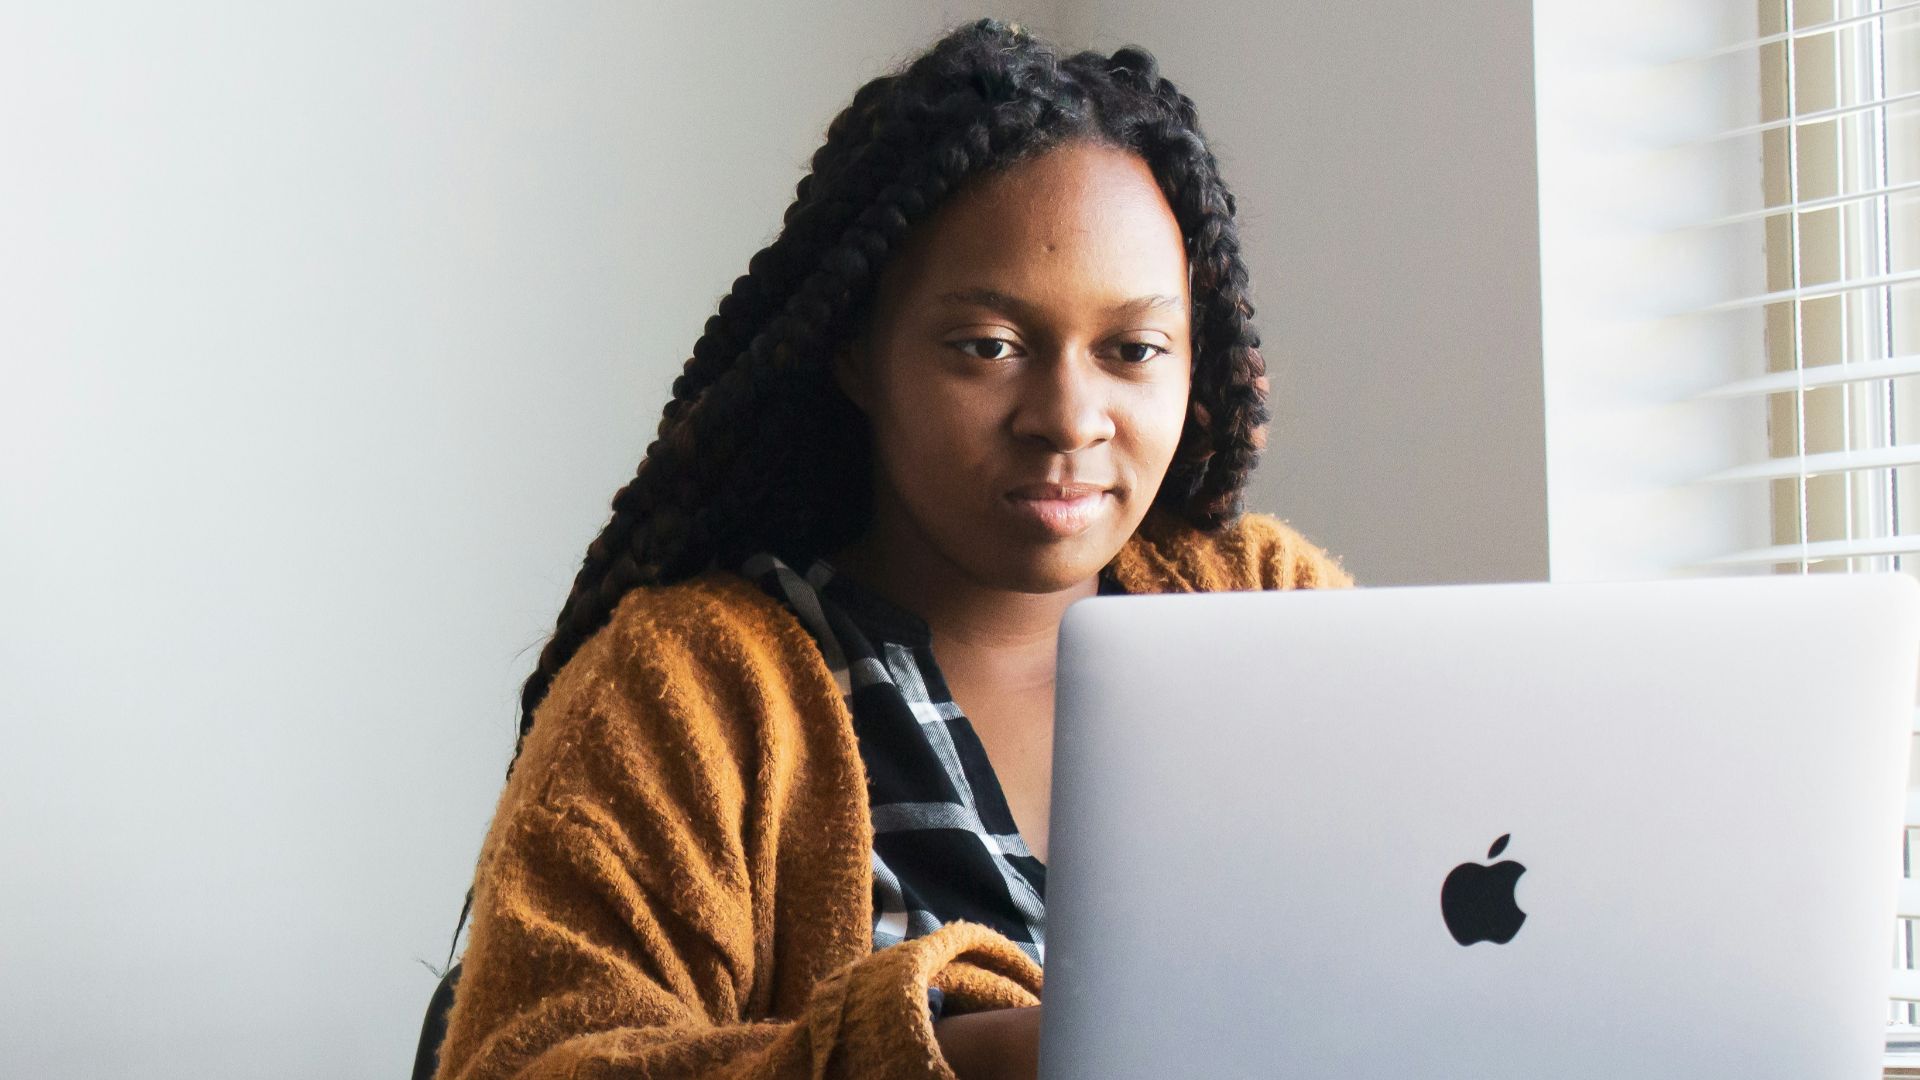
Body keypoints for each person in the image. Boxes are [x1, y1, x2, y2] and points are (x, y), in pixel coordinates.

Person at [430, 17, 1352, 1080]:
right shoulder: (687, 691)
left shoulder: (1268, 610)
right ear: (859, 355)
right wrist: (960, 1061)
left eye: (1132, 350)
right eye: (989, 347)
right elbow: (527, 1062)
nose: (1067, 416)